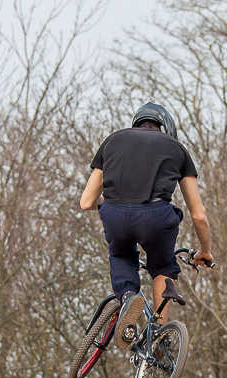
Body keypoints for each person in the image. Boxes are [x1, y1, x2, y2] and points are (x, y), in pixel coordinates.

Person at [80, 102, 213, 349]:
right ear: (166, 128)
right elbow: (199, 216)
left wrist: (111, 209)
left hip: (115, 214)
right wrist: (204, 251)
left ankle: (129, 296)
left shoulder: (112, 142)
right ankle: (159, 334)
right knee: (162, 265)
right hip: (156, 217)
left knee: (121, 255)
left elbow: (86, 201)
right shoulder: (177, 149)